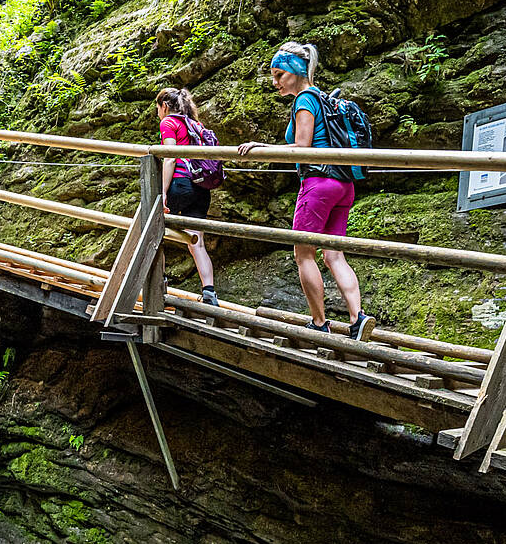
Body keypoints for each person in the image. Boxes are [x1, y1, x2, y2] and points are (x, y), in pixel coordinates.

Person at [236, 41, 372, 339]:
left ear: (296, 71)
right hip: (343, 184)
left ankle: (319, 322)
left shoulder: (305, 99)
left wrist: (262, 147)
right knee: (334, 255)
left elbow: (302, 147)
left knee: (303, 254)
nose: (275, 82)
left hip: (318, 185)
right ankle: (357, 317)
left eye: (279, 74)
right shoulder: (324, 98)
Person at [156, 87, 218, 306]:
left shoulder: (169, 123)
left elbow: (170, 158)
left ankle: (157, 284)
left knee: (154, 230)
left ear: (164, 106)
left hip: (181, 184)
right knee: (196, 242)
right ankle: (209, 293)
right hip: (201, 188)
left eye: (158, 108)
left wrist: (163, 193)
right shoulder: (196, 125)